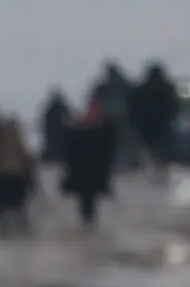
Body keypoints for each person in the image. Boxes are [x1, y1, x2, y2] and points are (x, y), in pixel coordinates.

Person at [61, 98, 118, 226]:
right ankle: (88, 224)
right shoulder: (84, 129)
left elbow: (109, 149)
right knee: (87, 201)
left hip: (92, 172)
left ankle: (88, 224)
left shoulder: (102, 129)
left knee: (89, 201)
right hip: (85, 173)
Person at [0, 117, 36, 234]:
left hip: (3, 174)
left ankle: (3, 229)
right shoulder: (18, 139)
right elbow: (25, 157)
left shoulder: (0, 140)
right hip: (16, 175)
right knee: (19, 204)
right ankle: (22, 228)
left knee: (4, 204)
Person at [130, 62, 181, 171]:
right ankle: (162, 169)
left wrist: (135, 122)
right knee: (163, 154)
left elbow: (132, 108)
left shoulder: (141, 89)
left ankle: (147, 170)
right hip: (163, 125)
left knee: (147, 151)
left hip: (144, 125)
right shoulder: (168, 89)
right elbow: (175, 106)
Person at [41, 89, 72, 163]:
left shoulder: (49, 111)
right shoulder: (64, 110)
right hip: (64, 144)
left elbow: (45, 128)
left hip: (52, 143)